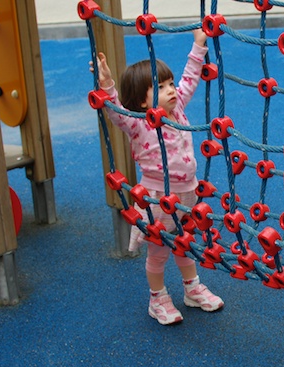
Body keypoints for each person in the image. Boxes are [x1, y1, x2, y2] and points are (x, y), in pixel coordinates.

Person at [93, 29, 223, 325]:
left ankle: (192, 289)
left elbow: (190, 79)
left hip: (188, 193)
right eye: (160, 87)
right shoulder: (140, 124)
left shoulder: (178, 110)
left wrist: (198, 46)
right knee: (159, 250)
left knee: (185, 243)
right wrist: (107, 85)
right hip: (158, 199)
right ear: (142, 102)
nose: (172, 90)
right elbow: (116, 114)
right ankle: (158, 298)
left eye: (170, 83)